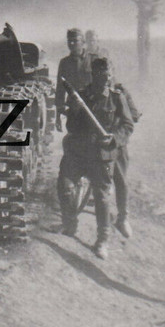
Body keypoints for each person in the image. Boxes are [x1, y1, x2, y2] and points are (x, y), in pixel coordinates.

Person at [56, 56, 135, 259]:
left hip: (101, 155)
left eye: (108, 75)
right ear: (94, 75)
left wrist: (114, 139)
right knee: (65, 187)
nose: (105, 79)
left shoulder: (117, 98)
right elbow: (71, 127)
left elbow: (127, 125)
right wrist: (73, 111)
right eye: (101, 75)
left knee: (102, 197)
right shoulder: (81, 96)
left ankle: (102, 240)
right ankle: (70, 223)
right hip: (78, 153)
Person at [55, 28, 92, 132]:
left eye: (75, 40)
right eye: (69, 40)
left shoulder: (93, 60)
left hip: (92, 106)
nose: (71, 43)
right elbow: (60, 90)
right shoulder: (64, 63)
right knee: (75, 139)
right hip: (74, 108)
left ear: (83, 42)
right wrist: (58, 116)